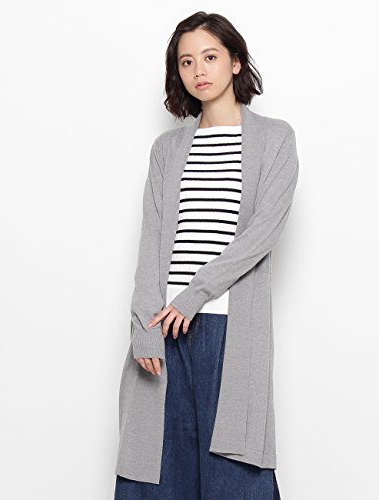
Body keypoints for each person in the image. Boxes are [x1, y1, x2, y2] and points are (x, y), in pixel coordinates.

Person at [114, 11, 299, 500]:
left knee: (234, 474)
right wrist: (144, 326)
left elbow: (261, 234)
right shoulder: (167, 149)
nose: (199, 70)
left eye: (211, 57)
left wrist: (193, 296)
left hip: (228, 329)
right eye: (187, 61)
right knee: (155, 470)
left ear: (236, 62)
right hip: (163, 328)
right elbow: (152, 240)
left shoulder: (275, 139)